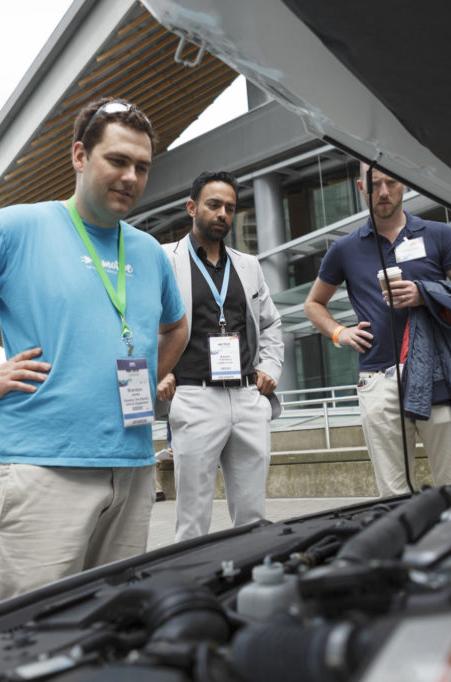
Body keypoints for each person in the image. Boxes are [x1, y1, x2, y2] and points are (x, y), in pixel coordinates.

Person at [0, 97, 188, 601]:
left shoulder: (146, 250)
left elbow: (176, 328)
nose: (131, 177)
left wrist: (142, 378)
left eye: (142, 166)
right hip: (45, 466)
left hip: (133, 467)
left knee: (113, 624)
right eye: (117, 160)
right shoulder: (18, 227)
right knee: (35, 631)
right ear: (78, 156)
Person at [303, 163, 451, 498]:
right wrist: (339, 333)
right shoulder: (344, 248)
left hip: (436, 375)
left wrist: (424, 293)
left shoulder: (438, 235)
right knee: (393, 494)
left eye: (391, 182)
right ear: (361, 187)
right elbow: (313, 304)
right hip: (378, 377)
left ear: (403, 183)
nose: (384, 192)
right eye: (375, 184)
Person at [156, 171, 284, 542]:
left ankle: (249, 587)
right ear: (192, 207)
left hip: (247, 397)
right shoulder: (165, 259)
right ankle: (192, 591)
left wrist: (269, 368)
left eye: (230, 207)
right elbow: (140, 320)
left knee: (252, 516)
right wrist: (158, 370)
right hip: (195, 397)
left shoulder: (248, 265)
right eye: (214, 205)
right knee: (193, 518)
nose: (222, 214)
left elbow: (272, 324)